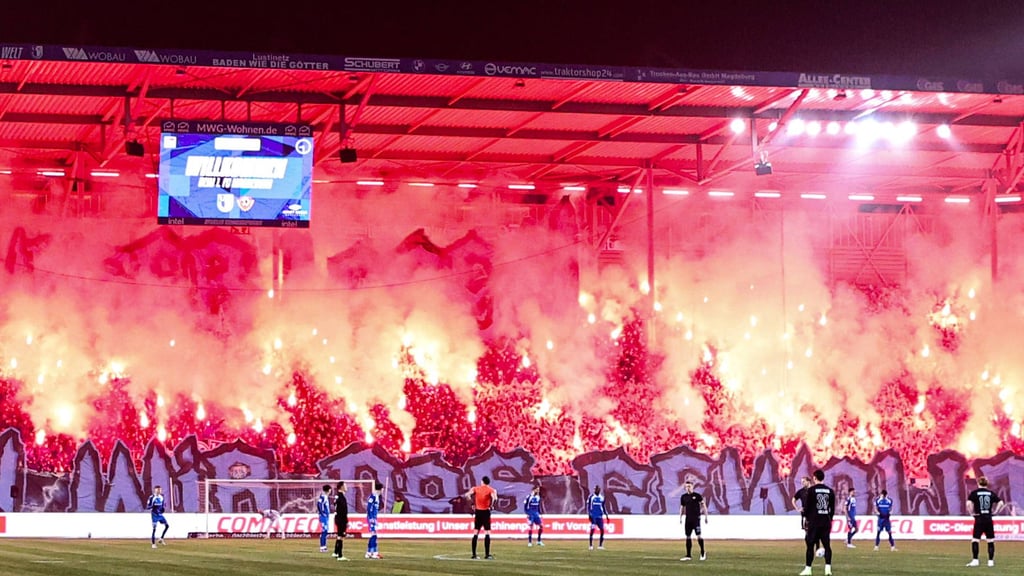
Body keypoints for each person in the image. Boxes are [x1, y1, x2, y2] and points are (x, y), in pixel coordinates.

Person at [799, 469, 835, 576]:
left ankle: (808, 569)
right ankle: (828, 570)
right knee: (827, 545)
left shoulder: (811, 490)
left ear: (814, 478)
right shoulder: (830, 491)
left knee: (810, 545)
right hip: (825, 522)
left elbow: (807, 507)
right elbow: (832, 509)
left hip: (814, 522)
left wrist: (806, 517)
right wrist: (829, 519)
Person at [966, 476, 1004, 567]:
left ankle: (975, 560)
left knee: (975, 540)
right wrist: (995, 512)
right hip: (988, 518)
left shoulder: (974, 493)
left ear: (978, 483)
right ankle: (990, 561)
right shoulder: (991, 493)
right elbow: (1001, 503)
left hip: (979, 518)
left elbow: (968, 504)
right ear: (987, 483)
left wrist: (972, 513)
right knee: (990, 540)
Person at [466, 475, 497, 559]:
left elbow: (467, 495)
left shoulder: (476, 488)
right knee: (487, 532)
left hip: (478, 512)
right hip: (486, 512)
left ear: (482, 481)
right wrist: (491, 505)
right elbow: (494, 498)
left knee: (476, 532)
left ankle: (474, 554)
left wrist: (472, 504)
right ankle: (487, 554)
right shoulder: (491, 490)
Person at [678, 480, 707, 561]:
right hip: (688, 519)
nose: (688, 488)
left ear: (692, 487)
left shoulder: (697, 496)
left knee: (698, 535)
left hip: (696, 519)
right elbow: (682, 507)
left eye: (689, 486)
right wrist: (680, 517)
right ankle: (688, 555)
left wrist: (706, 516)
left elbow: (704, 505)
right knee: (688, 536)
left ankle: (702, 552)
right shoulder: (683, 497)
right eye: (686, 487)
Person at [587, 485, 610, 551]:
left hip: (600, 516)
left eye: (598, 489)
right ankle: (591, 545)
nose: (597, 490)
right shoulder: (591, 497)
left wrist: (606, 516)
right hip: (593, 516)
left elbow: (603, 507)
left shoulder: (601, 498)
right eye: (596, 489)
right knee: (592, 530)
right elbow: (589, 507)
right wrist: (589, 515)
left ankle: (600, 545)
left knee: (602, 530)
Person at [366, 481, 384, 559]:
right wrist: (371, 518)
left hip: (373, 518)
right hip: (372, 518)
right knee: (374, 535)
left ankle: (369, 552)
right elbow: (369, 507)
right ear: (380, 489)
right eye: (383, 489)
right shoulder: (373, 496)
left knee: (373, 535)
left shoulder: (376, 496)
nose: (383, 491)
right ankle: (374, 553)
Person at [333, 481, 349, 561]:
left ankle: (336, 552)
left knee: (339, 536)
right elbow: (343, 511)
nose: (346, 487)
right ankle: (340, 555)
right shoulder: (341, 497)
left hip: (338, 518)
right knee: (341, 536)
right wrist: (346, 521)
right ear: (342, 487)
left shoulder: (337, 496)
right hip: (341, 519)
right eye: (345, 485)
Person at [316, 484, 331, 553]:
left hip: (325, 517)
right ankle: (322, 547)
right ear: (329, 490)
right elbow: (319, 504)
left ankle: (324, 547)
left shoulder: (325, 497)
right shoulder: (323, 497)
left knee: (325, 531)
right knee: (324, 531)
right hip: (323, 517)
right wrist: (322, 513)